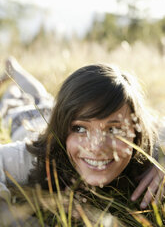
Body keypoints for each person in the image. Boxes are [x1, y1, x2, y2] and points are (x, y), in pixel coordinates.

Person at [0, 58, 164, 225]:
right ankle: (13, 71)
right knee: (21, 99)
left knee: (42, 98)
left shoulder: (148, 150)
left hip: (56, 112)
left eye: (114, 130)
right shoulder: (37, 157)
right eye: (80, 129)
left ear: (136, 132)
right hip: (27, 119)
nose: (97, 147)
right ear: (62, 132)